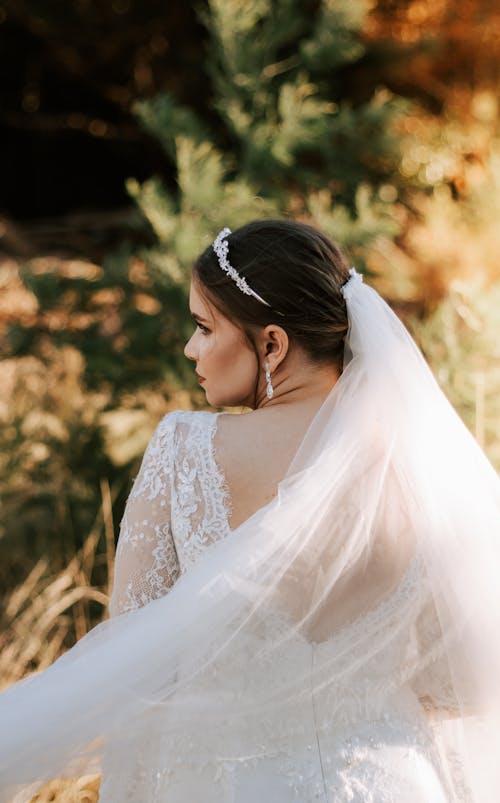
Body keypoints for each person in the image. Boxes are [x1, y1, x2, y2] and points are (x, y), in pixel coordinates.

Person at [1, 219, 500, 803]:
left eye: (204, 328)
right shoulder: (416, 468)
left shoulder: (184, 450)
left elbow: (135, 675)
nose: (191, 348)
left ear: (272, 344)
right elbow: (462, 685)